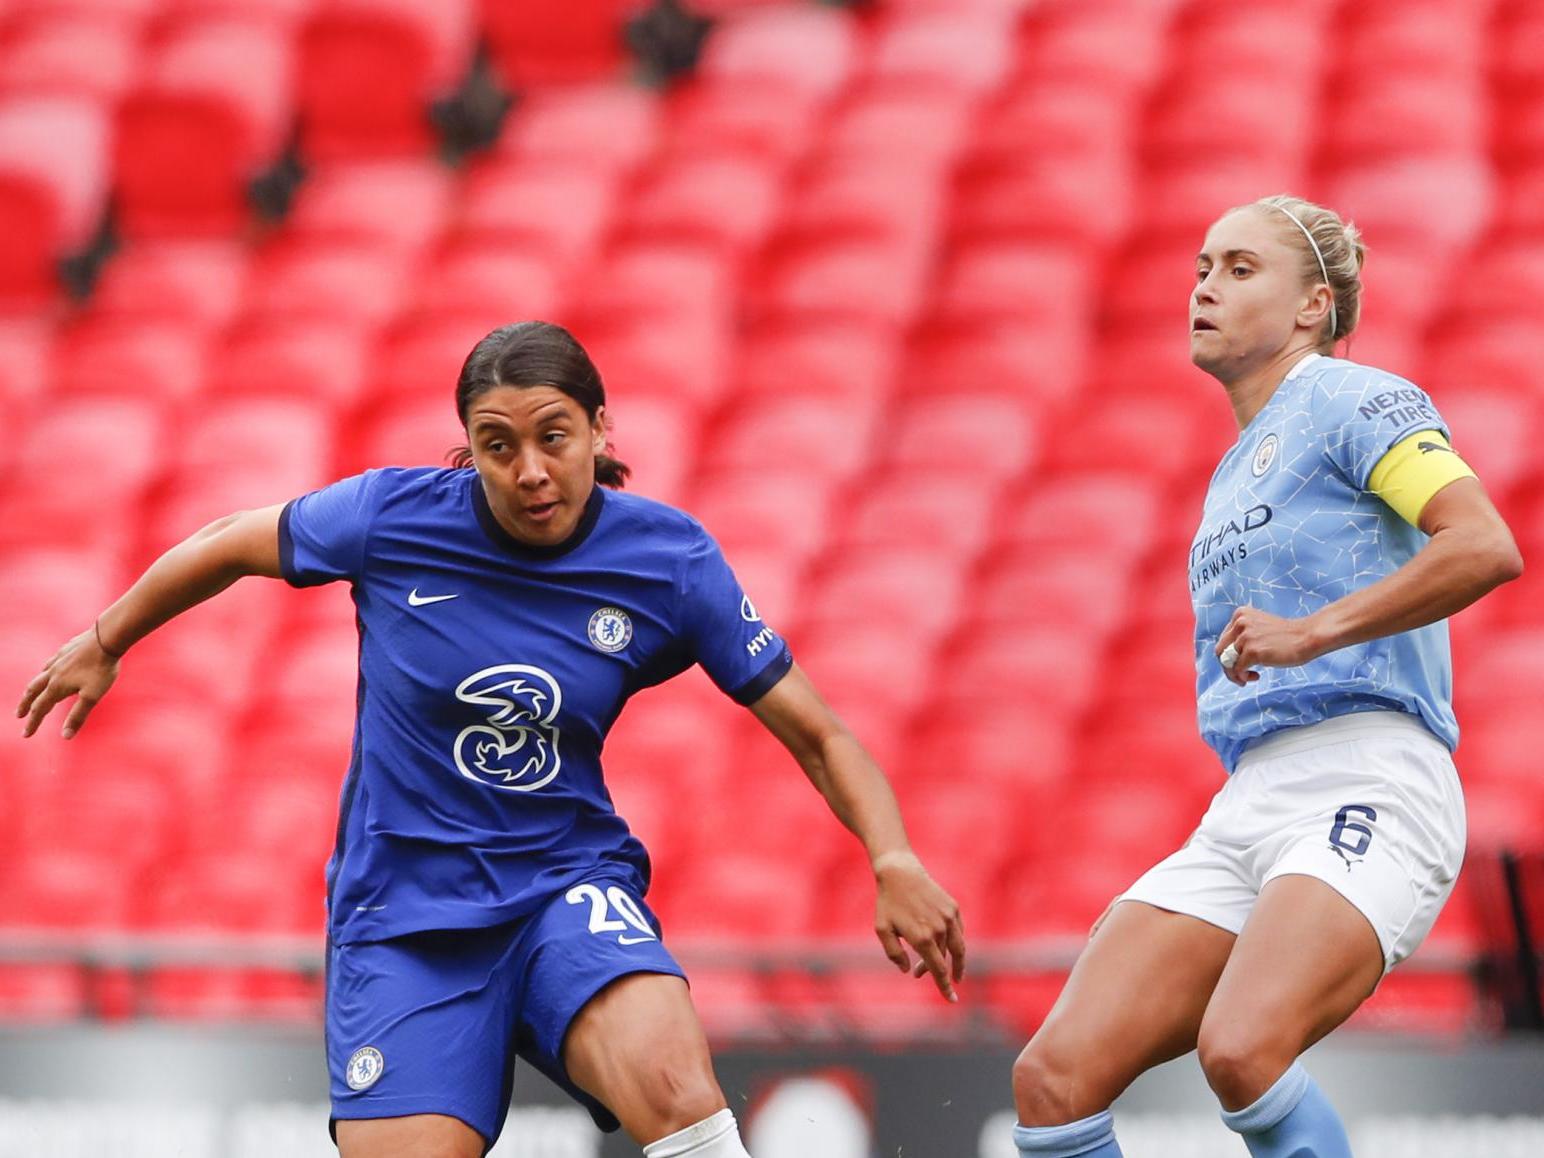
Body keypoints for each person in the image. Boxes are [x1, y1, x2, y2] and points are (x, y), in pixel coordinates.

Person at [17, 321, 966, 1158]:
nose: (531, 471)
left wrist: (892, 855)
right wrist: (107, 640)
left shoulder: (668, 563)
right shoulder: (394, 519)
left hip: (563, 887)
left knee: (678, 1092)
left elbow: (817, 731)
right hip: (404, 920)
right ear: (468, 450)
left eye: (555, 436)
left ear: (601, 428)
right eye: (497, 446)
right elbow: (230, 538)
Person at [1009, 194, 1523, 1158]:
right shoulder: (1238, 465)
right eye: (1202, 267)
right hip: (1251, 800)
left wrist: (1313, 633)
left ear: (1311, 308)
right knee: (1052, 1080)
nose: (1205, 286)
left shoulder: (1350, 399)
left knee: (1242, 1048)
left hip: (1372, 775)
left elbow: (1485, 545)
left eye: (1241, 269)